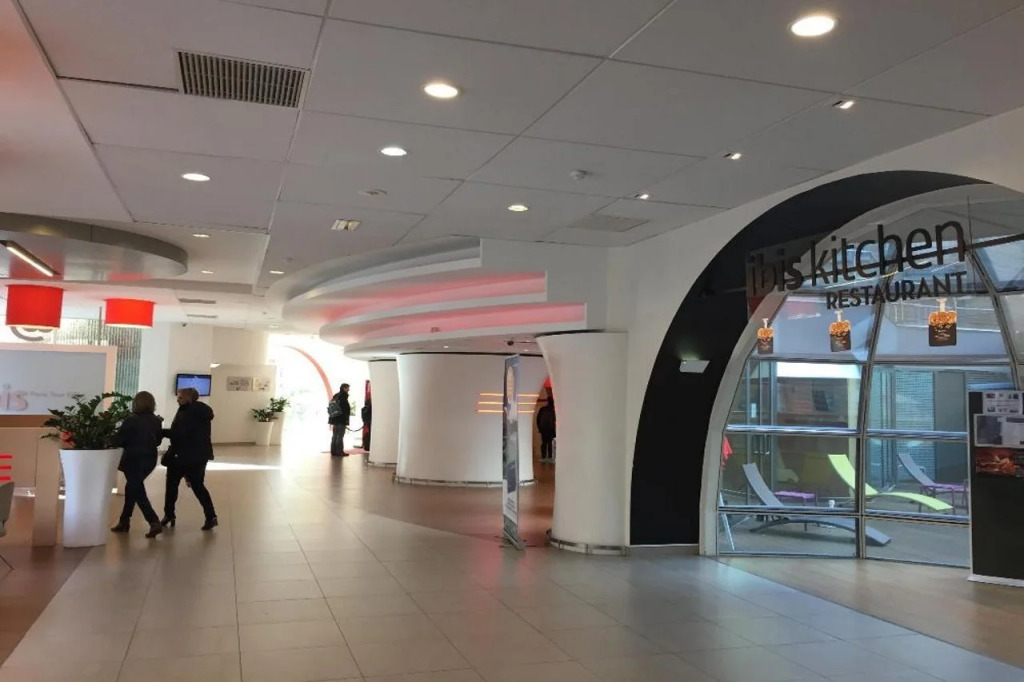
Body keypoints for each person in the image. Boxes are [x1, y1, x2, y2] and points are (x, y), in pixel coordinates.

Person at [110, 391, 165, 538]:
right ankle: (124, 521)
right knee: (132, 488)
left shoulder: (131, 420)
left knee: (137, 490)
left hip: (133, 459)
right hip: (150, 459)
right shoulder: (156, 420)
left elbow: (119, 440)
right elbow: (158, 441)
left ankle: (153, 521)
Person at [161, 387, 218, 530]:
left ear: (188, 398)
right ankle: (211, 516)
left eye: (180, 397)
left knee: (172, 485)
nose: (177, 400)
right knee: (198, 486)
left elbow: (179, 434)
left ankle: (169, 515)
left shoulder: (187, 412)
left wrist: (161, 432)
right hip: (199, 455)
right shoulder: (202, 411)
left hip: (181, 455)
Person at [328, 383, 351, 457]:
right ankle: (339, 452)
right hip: (341, 419)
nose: (349, 389)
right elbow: (345, 409)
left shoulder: (336, 395)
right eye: (347, 388)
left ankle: (333, 451)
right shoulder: (343, 396)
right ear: (344, 388)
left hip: (334, 419)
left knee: (335, 435)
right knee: (340, 436)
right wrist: (346, 419)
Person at [537, 397, 556, 463]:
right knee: (551, 443)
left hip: (543, 429)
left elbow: (538, 419)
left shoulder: (542, 409)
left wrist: (539, 428)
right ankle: (550, 457)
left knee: (544, 443)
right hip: (551, 429)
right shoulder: (554, 409)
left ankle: (543, 457)